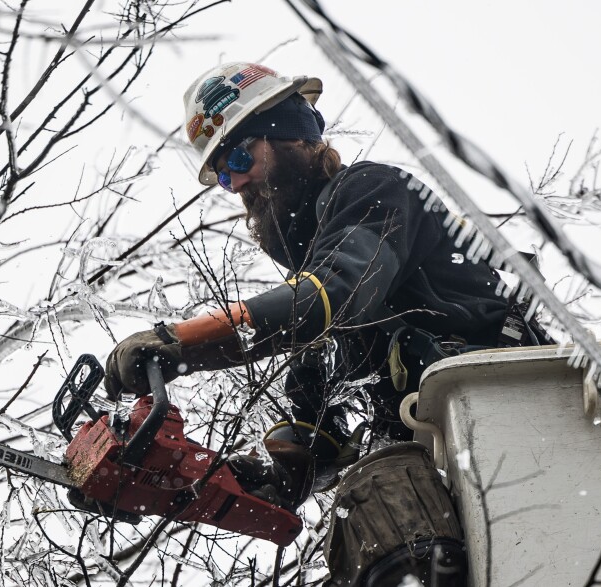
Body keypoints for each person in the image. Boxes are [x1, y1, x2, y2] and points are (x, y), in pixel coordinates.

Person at [103, 62, 547, 565]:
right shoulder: (322, 318)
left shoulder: (371, 193)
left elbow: (334, 291)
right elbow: (314, 446)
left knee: (391, 516)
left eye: (240, 156)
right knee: (369, 524)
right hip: (460, 462)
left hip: (511, 412)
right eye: (223, 174)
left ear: (289, 136)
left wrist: (183, 342)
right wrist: (196, 482)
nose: (236, 182)